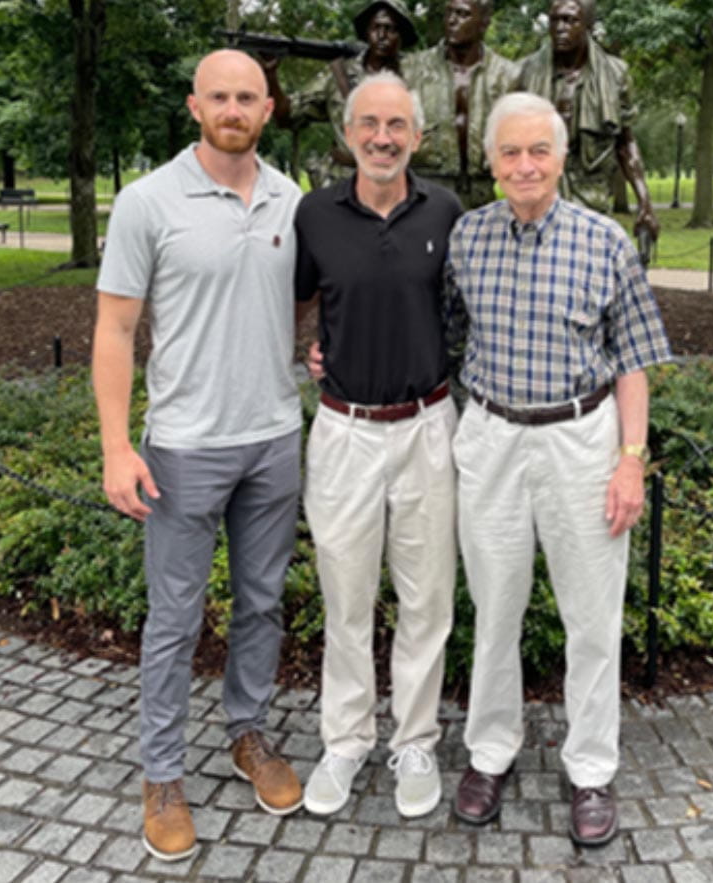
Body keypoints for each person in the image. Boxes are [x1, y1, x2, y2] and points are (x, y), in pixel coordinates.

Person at [92, 49, 304, 862]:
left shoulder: (292, 198)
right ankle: (162, 771)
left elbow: (302, 301)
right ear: (194, 106)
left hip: (275, 437)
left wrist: (315, 355)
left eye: (247, 96)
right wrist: (117, 445)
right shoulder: (148, 201)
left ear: (268, 108)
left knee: (261, 601)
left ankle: (246, 731)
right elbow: (113, 330)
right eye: (219, 95)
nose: (233, 107)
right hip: (182, 446)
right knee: (175, 617)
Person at [446, 92, 671, 846]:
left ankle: (591, 768)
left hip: (582, 439)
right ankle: (489, 753)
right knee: (495, 610)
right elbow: (439, 335)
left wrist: (630, 460)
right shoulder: (467, 239)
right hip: (490, 439)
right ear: (490, 161)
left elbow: (636, 358)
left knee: (592, 617)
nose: (524, 164)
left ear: (563, 157)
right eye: (509, 152)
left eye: (538, 150)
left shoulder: (605, 240)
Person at [294, 71, 461, 819]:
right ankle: (346, 739)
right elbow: (302, 298)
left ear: (417, 136)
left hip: (429, 427)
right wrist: (312, 346)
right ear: (348, 133)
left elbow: (465, 306)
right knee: (346, 596)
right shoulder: (315, 214)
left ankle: (415, 739)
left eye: (396, 124)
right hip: (344, 432)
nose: (382, 137)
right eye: (369, 123)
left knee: (427, 600)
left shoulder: (450, 211)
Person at [520, 0, 659, 244]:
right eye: (555, 20)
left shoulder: (615, 74)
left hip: (591, 201)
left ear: (588, 25)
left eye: (570, 20)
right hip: (537, 199)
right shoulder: (525, 72)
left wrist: (644, 201)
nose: (560, 28)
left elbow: (625, 143)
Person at [265, 0, 418, 185]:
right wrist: (270, 74)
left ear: (402, 36)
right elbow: (286, 115)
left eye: (390, 29)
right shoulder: (339, 74)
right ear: (366, 32)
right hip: (343, 183)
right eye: (375, 28)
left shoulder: (417, 77)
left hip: (397, 183)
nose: (382, 36)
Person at [402, 0, 520, 208]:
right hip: (425, 189)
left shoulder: (508, 76)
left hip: (486, 194)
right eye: (448, 14)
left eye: (462, 14)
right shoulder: (411, 70)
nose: (452, 21)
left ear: (483, 22)